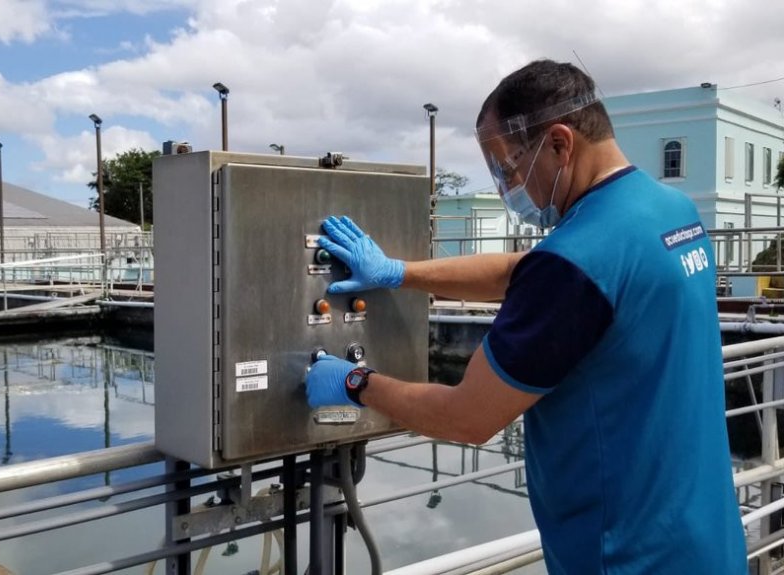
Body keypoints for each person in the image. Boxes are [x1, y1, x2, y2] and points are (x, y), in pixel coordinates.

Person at [306, 59, 747, 574]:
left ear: (560, 144)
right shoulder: (670, 210)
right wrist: (398, 272)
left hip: (625, 555)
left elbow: (466, 417)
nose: (506, 187)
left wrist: (355, 382)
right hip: (706, 540)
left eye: (507, 167)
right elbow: (524, 270)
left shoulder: (576, 262)